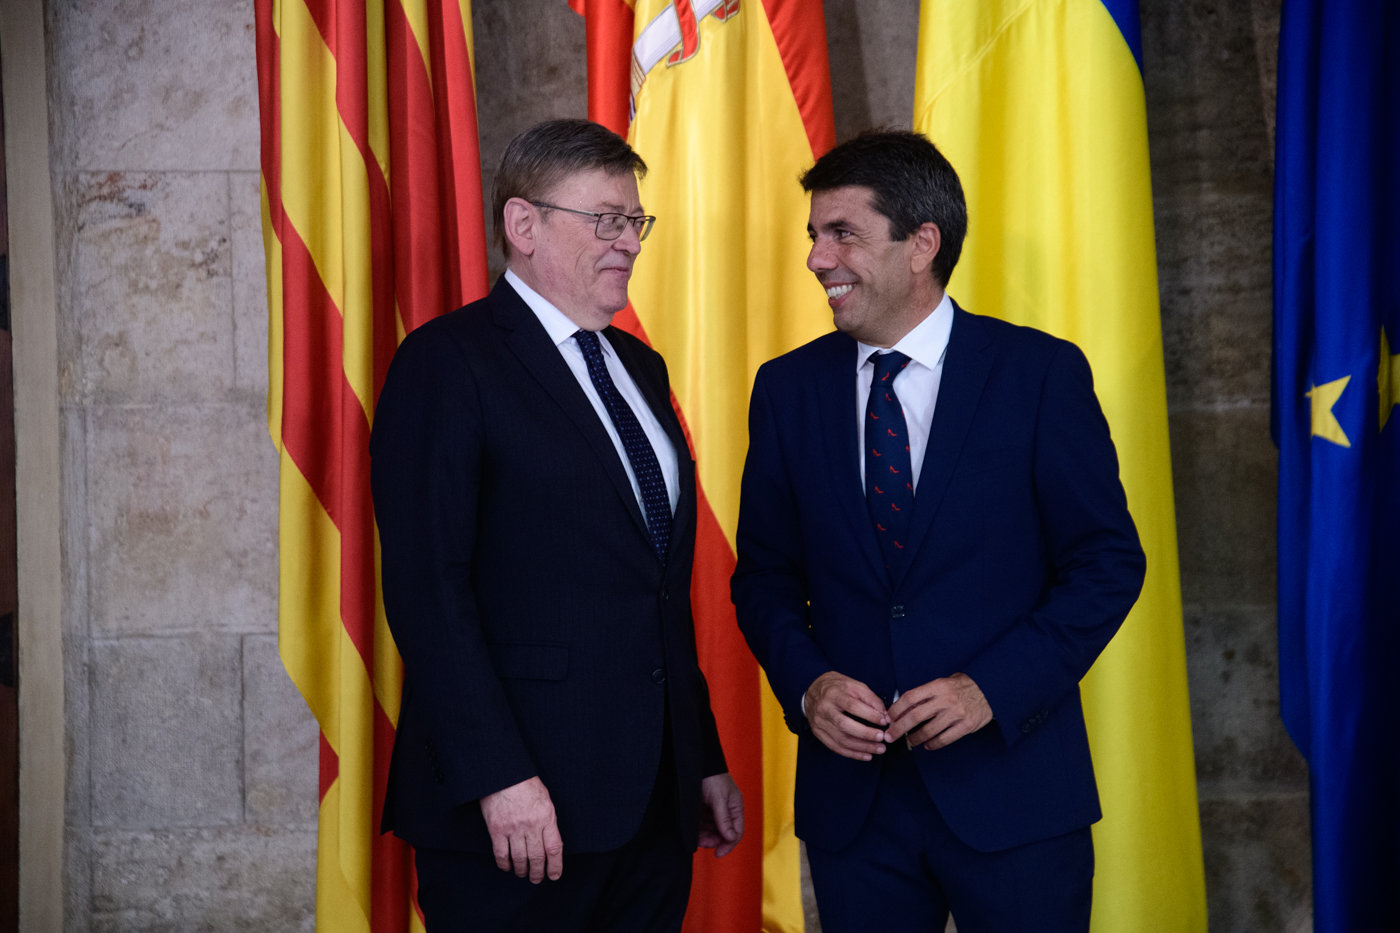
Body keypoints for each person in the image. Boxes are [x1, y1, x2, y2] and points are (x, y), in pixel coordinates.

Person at [730, 130, 1146, 932]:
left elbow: (1105, 563)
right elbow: (765, 578)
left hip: (1016, 791)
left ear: (923, 242)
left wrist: (992, 687)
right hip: (855, 809)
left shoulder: (1039, 374)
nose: (817, 257)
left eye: (841, 232)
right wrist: (807, 683)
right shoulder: (786, 391)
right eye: (814, 234)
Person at [371, 118, 743, 932]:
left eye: (634, 221)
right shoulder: (448, 361)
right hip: (517, 812)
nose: (629, 243)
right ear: (523, 224)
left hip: (650, 807)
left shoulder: (640, 366)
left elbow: (654, 591)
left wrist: (701, 755)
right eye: (605, 220)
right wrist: (498, 777)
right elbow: (429, 592)